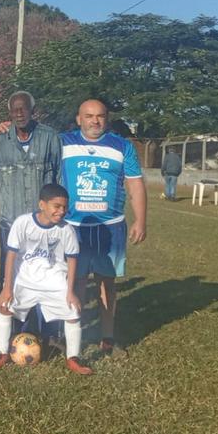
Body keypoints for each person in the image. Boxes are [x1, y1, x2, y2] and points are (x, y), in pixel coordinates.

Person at [60, 99, 146, 355]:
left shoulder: (122, 147)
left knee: (106, 284)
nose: (94, 121)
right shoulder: (62, 143)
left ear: (106, 118)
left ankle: (107, 337)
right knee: (74, 283)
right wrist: (5, 125)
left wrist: (141, 220)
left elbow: (135, 184)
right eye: (88, 116)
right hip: (74, 227)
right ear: (78, 119)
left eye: (99, 116)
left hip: (110, 228)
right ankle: (71, 334)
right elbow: (32, 136)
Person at [0, 183, 93, 375]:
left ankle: (73, 358)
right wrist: (7, 287)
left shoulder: (66, 230)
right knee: (4, 307)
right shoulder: (22, 223)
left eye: (64, 207)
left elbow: (72, 261)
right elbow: (11, 256)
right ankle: (1, 353)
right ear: (42, 205)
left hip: (53, 280)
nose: (61, 211)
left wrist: (70, 292)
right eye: (56, 206)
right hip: (24, 278)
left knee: (73, 311)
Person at [0, 91, 61, 280]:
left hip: (43, 220)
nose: (19, 113)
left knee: (43, 267)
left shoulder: (50, 137)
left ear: (32, 110)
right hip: (10, 220)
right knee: (10, 268)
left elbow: (58, 175)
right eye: (15, 110)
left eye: (24, 108)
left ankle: (39, 308)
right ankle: (9, 305)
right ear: (10, 113)